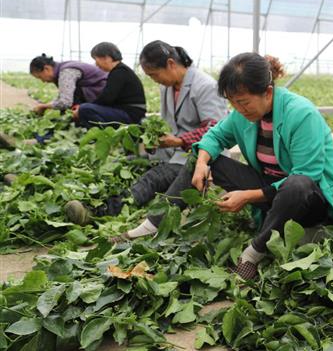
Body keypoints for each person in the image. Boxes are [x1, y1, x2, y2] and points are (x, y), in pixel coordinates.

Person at [118, 52, 333, 280]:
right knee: (203, 157)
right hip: (272, 192)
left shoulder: (301, 114)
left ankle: (252, 254)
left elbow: (308, 174)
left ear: (267, 92)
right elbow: (213, 137)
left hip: (309, 200)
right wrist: (201, 163)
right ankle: (152, 225)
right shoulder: (242, 115)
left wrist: (247, 196)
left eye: (244, 102)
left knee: (298, 184)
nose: (239, 109)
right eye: (233, 103)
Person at [65, 41, 227, 224]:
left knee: (154, 178)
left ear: (171, 64)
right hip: (171, 153)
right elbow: (169, 123)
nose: (154, 80)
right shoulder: (168, 87)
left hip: (199, 158)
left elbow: (215, 130)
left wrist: (180, 141)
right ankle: (94, 198)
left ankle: (99, 211)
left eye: (154, 75)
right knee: (129, 164)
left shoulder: (205, 86)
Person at [72, 42, 147, 127]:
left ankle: (103, 135)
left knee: (85, 109)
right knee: (86, 108)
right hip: (129, 112)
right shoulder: (120, 71)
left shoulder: (120, 72)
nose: (96, 65)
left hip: (131, 115)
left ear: (106, 58)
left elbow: (106, 99)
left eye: (96, 60)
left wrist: (81, 109)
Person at [28, 54, 107, 115]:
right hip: (98, 94)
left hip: (102, 97)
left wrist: (44, 106)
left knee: (69, 109)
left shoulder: (66, 72)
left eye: (40, 77)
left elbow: (65, 102)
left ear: (46, 69)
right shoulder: (61, 69)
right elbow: (62, 97)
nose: (43, 81)